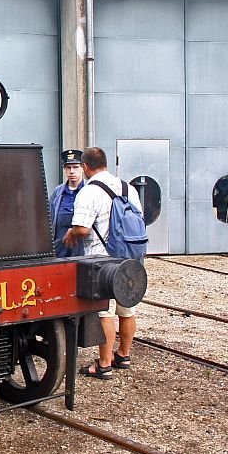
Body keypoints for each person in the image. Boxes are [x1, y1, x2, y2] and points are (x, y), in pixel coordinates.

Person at [62, 146, 143, 380]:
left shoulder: (89, 192)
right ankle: (124, 355)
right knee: (127, 309)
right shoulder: (128, 188)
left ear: (86, 167)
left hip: (103, 261)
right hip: (129, 257)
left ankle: (104, 364)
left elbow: (83, 228)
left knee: (105, 313)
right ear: (106, 163)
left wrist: (70, 235)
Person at [49, 149, 85, 257]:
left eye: (75, 167)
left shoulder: (88, 190)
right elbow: (50, 219)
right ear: (64, 169)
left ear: (83, 168)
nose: (72, 171)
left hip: (81, 250)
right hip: (60, 249)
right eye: (68, 167)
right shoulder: (58, 192)